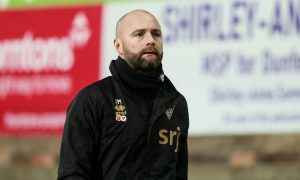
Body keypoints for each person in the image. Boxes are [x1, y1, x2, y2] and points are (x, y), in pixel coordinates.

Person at [57, 9, 189, 180]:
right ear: (118, 46)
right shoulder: (92, 100)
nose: (150, 40)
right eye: (139, 34)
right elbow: (72, 174)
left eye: (156, 34)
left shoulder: (176, 103)